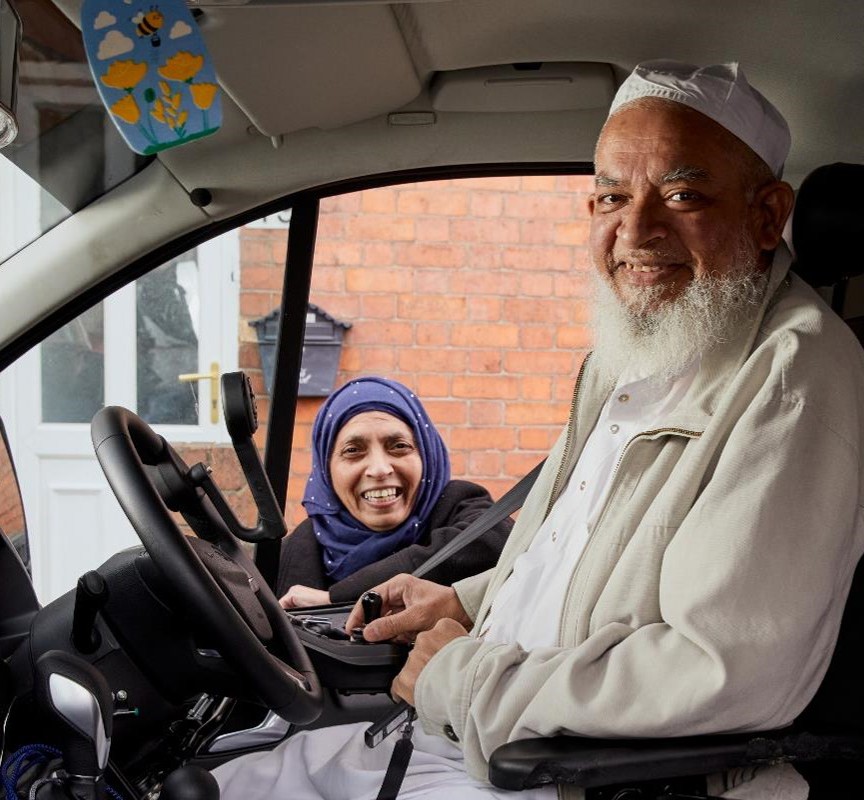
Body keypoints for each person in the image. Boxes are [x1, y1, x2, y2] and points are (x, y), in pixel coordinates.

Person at [214, 61, 864, 800]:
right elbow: (583, 563)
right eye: (612, 196)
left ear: (766, 215)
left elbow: (723, 670)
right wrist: (461, 603)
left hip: (565, 775)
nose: (636, 230)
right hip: (488, 734)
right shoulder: (642, 352)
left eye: (682, 195)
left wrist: (462, 675)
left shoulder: (792, 375)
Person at [275, 376, 513, 607]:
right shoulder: (285, 557)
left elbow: (495, 543)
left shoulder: (458, 505)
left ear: (426, 454)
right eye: (353, 450)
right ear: (326, 470)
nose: (379, 469)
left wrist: (335, 599)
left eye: (399, 446)